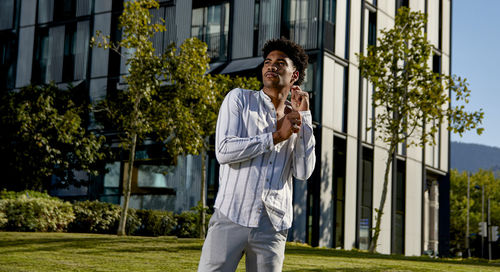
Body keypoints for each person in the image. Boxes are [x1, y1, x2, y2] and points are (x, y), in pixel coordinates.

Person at [198, 38, 316, 272]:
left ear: (295, 75)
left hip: (272, 226)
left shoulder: (296, 119)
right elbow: (223, 151)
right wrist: (276, 136)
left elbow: (303, 172)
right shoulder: (240, 100)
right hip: (231, 215)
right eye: (267, 62)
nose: (271, 66)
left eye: (280, 63)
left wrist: (306, 119)